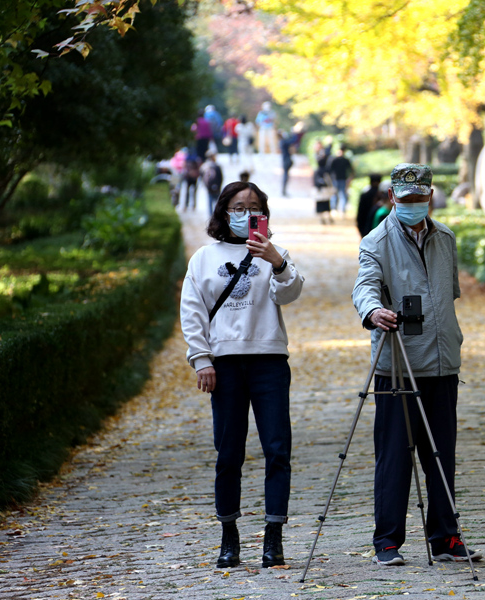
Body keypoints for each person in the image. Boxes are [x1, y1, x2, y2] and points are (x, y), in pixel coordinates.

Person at [352, 163, 482, 567]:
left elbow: (450, 294)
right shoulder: (376, 241)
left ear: (430, 197)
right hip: (398, 365)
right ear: (392, 198)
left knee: (442, 455)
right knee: (393, 457)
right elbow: (365, 286)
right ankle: (387, 541)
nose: (413, 205)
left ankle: (446, 537)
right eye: (405, 199)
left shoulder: (446, 237)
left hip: (442, 364)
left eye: (420, 199)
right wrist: (374, 311)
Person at [180, 181, 304, 570]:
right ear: (224, 211)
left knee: (277, 451)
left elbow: (290, 293)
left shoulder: (273, 253)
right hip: (226, 365)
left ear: (263, 214)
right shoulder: (204, 257)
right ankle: (229, 537)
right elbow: (193, 310)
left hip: (268, 361)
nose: (245, 212)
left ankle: (273, 539)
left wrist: (276, 260)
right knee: (228, 454)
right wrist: (202, 359)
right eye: (238, 206)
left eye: (253, 207)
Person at [326, 147, 354, 214]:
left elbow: (328, 170)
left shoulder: (338, 160)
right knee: (338, 195)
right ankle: (337, 210)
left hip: (340, 180)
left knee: (339, 195)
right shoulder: (336, 160)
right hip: (337, 180)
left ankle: (339, 210)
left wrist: (349, 179)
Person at [356, 173, 382, 238]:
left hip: (365, 228)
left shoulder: (364, 196)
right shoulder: (382, 197)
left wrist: (361, 229)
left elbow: (360, 214)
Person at [201, 149, 224, 217]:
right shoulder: (217, 166)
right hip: (216, 186)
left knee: (210, 201)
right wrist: (219, 186)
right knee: (217, 202)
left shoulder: (204, 166)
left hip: (208, 187)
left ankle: (210, 215)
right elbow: (221, 177)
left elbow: (201, 176)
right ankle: (216, 215)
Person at [279, 130, 294, 196]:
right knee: (285, 176)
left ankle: (284, 191)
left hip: (286, 160)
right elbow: (292, 140)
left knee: (286, 176)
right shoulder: (283, 142)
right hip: (286, 160)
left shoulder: (282, 142)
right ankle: (284, 191)